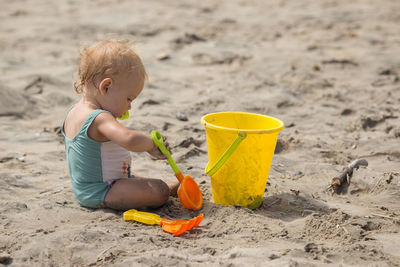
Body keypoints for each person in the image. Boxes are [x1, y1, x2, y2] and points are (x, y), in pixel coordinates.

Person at [61, 39, 179, 210]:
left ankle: (156, 186)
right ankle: (166, 188)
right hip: (102, 190)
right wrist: (150, 145)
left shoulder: (74, 111)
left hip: (99, 184)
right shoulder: (99, 118)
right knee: (159, 191)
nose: (130, 106)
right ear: (106, 87)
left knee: (136, 180)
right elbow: (128, 139)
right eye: (128, 99)